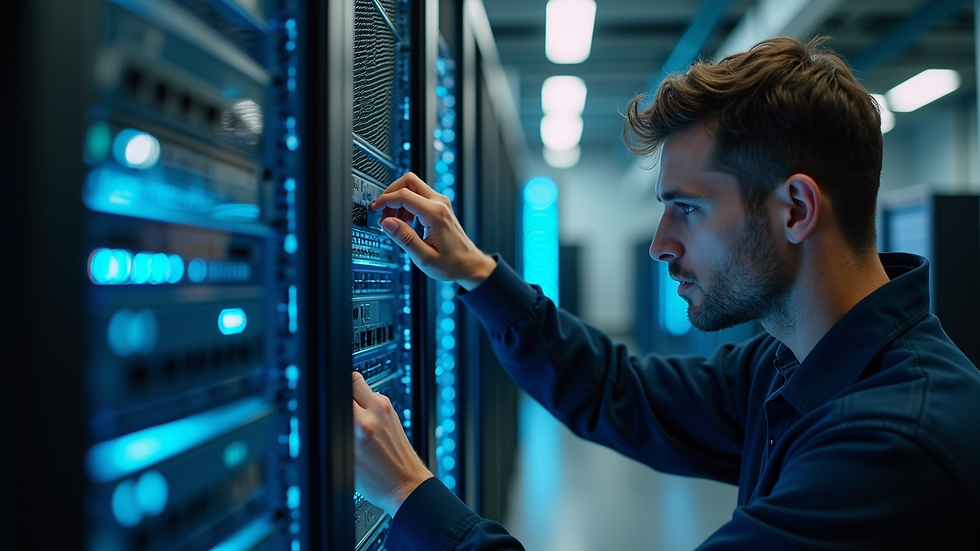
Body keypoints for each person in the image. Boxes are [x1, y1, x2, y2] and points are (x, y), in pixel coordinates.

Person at [351, 36, 980, 550]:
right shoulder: (796, 362)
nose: (659, 244)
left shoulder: (892, 445)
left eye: (687, 208)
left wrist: (409, 494)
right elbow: (617, 392)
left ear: (795, 209)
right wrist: (478, 275)